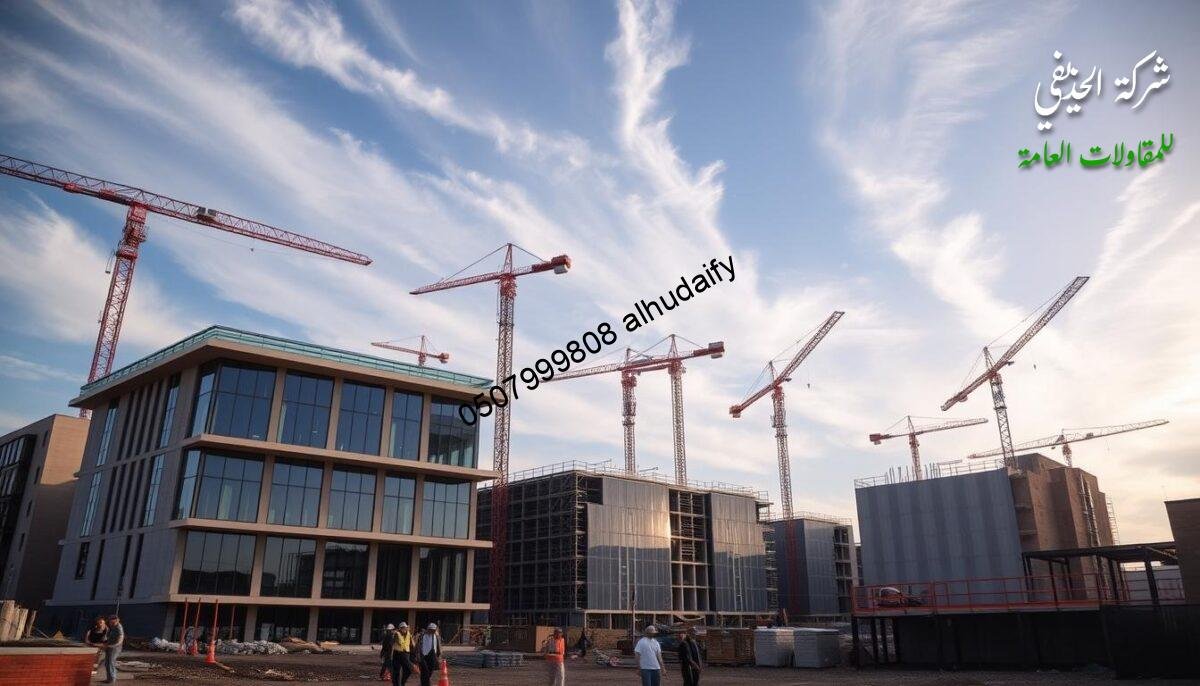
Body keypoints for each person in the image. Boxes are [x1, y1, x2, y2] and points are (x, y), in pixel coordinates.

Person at [102, 614, 124, 684]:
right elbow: (110, 636)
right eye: (110, 622)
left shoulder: (119, 628)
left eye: (113, 622)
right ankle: (109, 678)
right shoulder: (113, 626)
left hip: (115, 648)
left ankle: (112, 679)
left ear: (117, 620)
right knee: (107, 663)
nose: (111, 624)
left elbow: (120, 639)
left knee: (110, 663)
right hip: (109, 646)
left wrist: (113, 646)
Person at [392, 622, 415, 686]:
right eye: (403, 628)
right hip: (397, 654)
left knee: (409, 669)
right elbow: (392, 643)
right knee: (396, 671)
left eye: (405, 628)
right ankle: (396, 684)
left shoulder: (409, 634)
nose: (404, 629)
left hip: (406, 654)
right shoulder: (397, 634)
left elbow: (412, 644)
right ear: (400, 628)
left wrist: (414, 653)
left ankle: (402, 682)